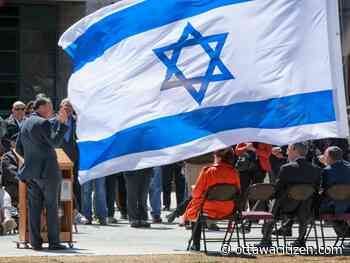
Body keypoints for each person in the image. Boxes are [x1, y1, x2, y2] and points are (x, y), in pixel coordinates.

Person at [16, 96, 68, 250]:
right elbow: (55, 142)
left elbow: (19, 149)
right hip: (48, 172)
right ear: (42, 107)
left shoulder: (25, 122)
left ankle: (35, 242)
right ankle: (54, 242)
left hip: (31, 173)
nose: (52, 110)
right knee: (52, 207)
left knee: (34, 208)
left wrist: (32, 159)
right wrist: (62, 124)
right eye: (50, 107)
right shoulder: (43, 122)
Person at [256, 142, 321, 247]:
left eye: (288, 149)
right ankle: (300, 240)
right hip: (304, 208)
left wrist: (268, 196)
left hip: (285, 207)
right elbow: (316, 191)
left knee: (270, 199)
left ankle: (265, 239)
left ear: (295, 150)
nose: (286, 152)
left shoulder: (286, 168)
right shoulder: (316, 170)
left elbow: (277, 190)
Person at [183, 148, 241, 251]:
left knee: (194, 206)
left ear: (218, 157)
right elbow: (238, 192)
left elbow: (196, 194)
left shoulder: (208, 171)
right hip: (228, 209)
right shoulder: (234, 172)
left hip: (208, 209)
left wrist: (195, 189)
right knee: (196, 204)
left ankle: (196, 244)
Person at [58, 99, 87, 225]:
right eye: (66, 106)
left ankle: (76, 212)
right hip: (58, 160)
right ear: (60, 107)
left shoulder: (78, 122)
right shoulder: (55, 121)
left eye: (70, 106)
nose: (68, 108)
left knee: (75, 186)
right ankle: (62, 212)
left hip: (75, 159)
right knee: (62, 185)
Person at [319, 146, 350, 236]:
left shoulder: (326, 171)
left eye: (324, 156)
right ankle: (344, 231)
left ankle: (345, 232)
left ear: (328, 157)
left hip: (333, 208)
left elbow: (323, 189)